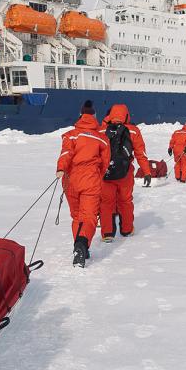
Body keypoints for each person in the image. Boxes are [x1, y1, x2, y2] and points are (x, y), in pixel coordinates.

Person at [56, 100, 110, 267]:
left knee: (77, 216)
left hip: (70, 180)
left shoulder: (71, 135)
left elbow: (66, 152)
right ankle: (81, 244)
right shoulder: (102, 138)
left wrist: (61, 168)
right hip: (90, 180)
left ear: (80, 116)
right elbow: (105, 162)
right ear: (94, 117)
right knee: (89, 216)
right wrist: (97, 176)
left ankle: (80, 248)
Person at [99, 104, 153, 241]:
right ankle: (127, 229)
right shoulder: (133, 131)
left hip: (105, 173)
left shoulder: (101, 130)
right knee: (125, 201)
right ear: (127, 115)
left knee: (106, 203)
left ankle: (107, 234)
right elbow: (141, 153)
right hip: (125, 173)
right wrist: (146, 172)